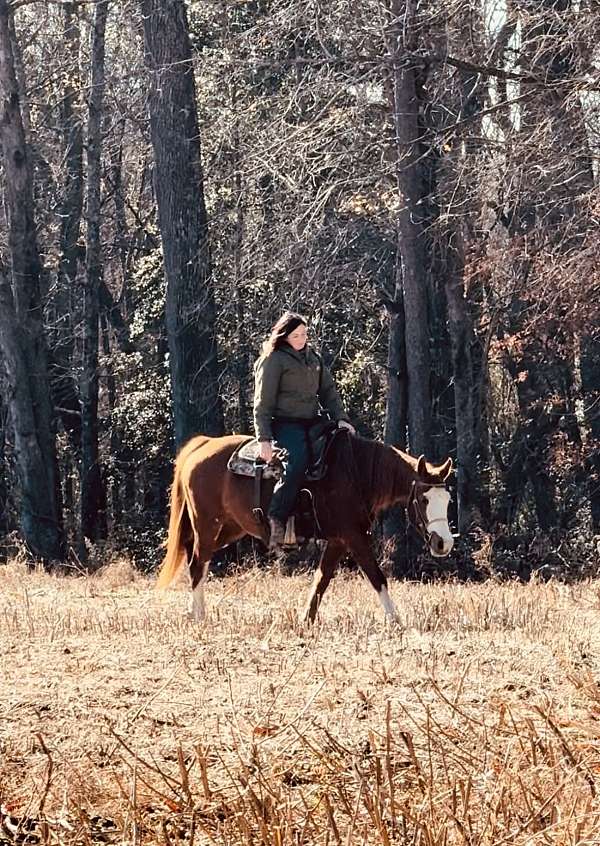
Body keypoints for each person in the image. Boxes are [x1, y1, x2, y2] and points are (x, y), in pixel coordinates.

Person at [253, 311, 355, 551]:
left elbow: (328, 391)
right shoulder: (274, 359)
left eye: (304, 334)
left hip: (312, 421)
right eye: (296, 335)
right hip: (284, 424)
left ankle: (328, 519)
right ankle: (277, 517)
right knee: (297, 461)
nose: (301, 339)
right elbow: (262, 402)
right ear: (284, 336)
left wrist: (341, 419)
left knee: (340, 449)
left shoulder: (314, 359)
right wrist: (264, 439)